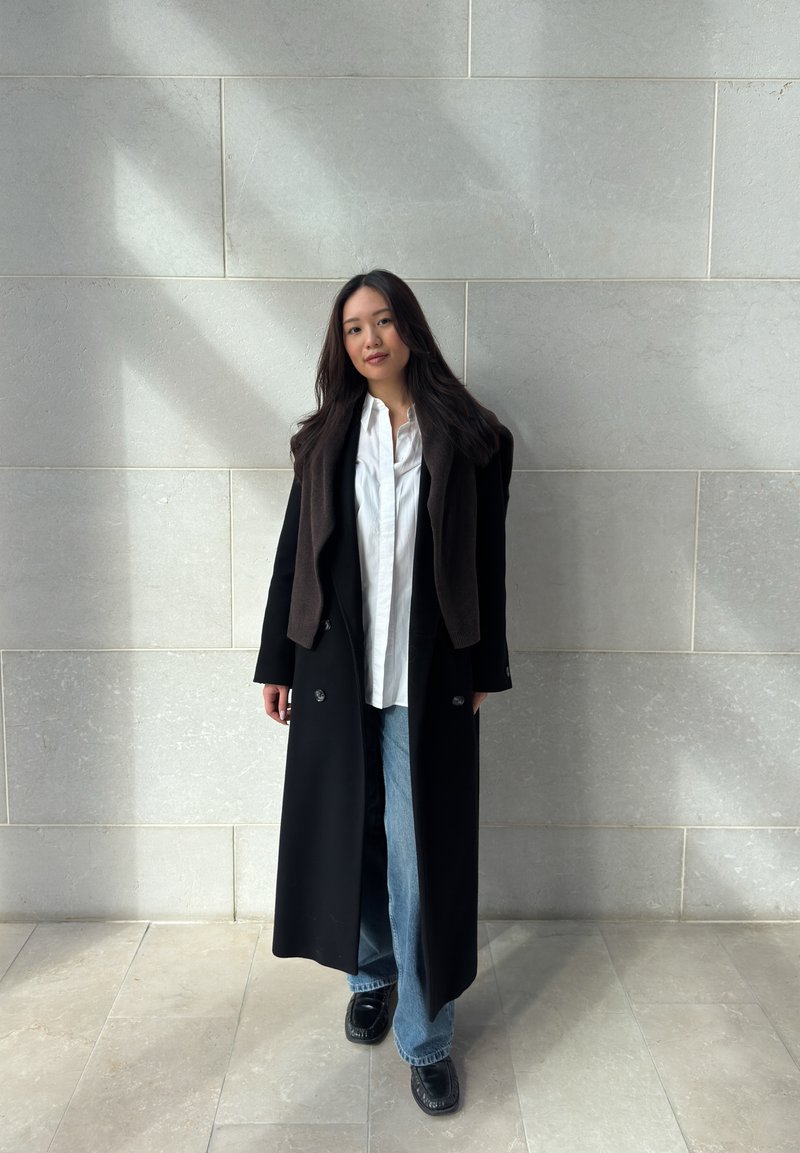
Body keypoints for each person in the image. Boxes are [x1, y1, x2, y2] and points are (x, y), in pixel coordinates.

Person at [254, 268, 513, 1115]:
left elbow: (488, 568)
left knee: (418, 855)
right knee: (352, 841)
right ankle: (372, 973)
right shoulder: (325, 438)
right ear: (343, 344)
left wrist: (483, 667)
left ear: (410, 330)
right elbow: (297, 556)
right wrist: (276, 663)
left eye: (384, 320)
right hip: (335, 675)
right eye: (355, 326)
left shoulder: (470, 438)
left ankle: (427, 1038)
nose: (370, 338)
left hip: (429, 683)